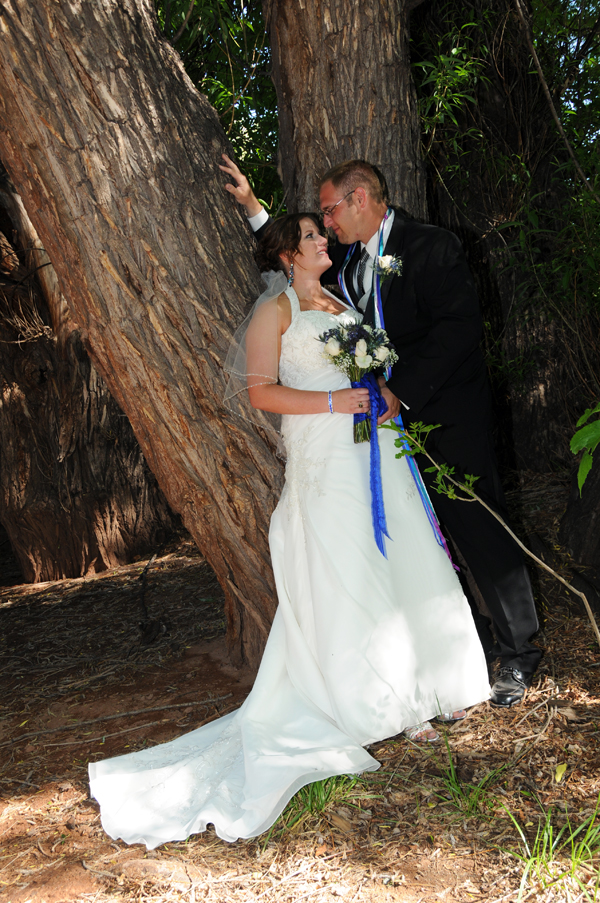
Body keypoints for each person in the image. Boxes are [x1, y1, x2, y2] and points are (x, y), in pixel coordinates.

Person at [88, 212, 490, 849]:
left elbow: (365, 368)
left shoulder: (341, 300)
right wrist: (334, 401)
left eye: (320, 233)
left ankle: (435, 682)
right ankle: (390, 703)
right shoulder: (274, 313)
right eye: (310, 237)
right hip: (324, 452)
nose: (323, 240)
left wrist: (378, 390)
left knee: (403, 554)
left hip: (373, 447)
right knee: (352, 567)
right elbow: (261, 393)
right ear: (287, 255)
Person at [220, 154, 542, 707]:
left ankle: (519, 652)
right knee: (422, 543)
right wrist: (252, 206)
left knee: (477, 526)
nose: (326, 226)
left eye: (329, 212)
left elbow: (458, 330)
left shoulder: (432, 245)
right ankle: (464, 645)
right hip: (377, 435)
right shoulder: (343, 262)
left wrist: (401, 393)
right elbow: (289, 257)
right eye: (320, 222)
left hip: (444, 416)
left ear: (360, 199)